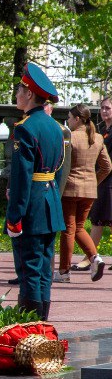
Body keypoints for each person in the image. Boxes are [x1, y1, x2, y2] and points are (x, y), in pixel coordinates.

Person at [4, 66, 65, 319]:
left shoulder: (25, 128)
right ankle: (43, 321)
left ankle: (31, 325)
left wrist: (14, 215)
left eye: (19, 89)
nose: (17, 93)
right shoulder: (54, 126)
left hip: (32, 205)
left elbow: (21, 178)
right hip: (50, 202)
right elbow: (60, 168)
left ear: (29, 93)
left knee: (28, 266)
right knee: (43, 268)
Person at [56, 103, 111, 283]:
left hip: (70, 188)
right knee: (78, 227)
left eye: (70, 118)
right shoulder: (97, 137)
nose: (68, 121)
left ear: (77, 119)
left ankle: (64, 271)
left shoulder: (69, 137)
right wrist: (93, 181)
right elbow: (107, 166)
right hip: (89, 190)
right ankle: (95, 258)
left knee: (68, 229)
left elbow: (60, 164)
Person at [86, 95, 112, 266]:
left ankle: (90, 258)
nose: (103, 111)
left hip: (109, 179)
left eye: (107, 108)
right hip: (103, 178)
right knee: (99, 217)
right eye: (102, 108)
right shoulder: (103, 129)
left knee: (102, 217)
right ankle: (90, 257)